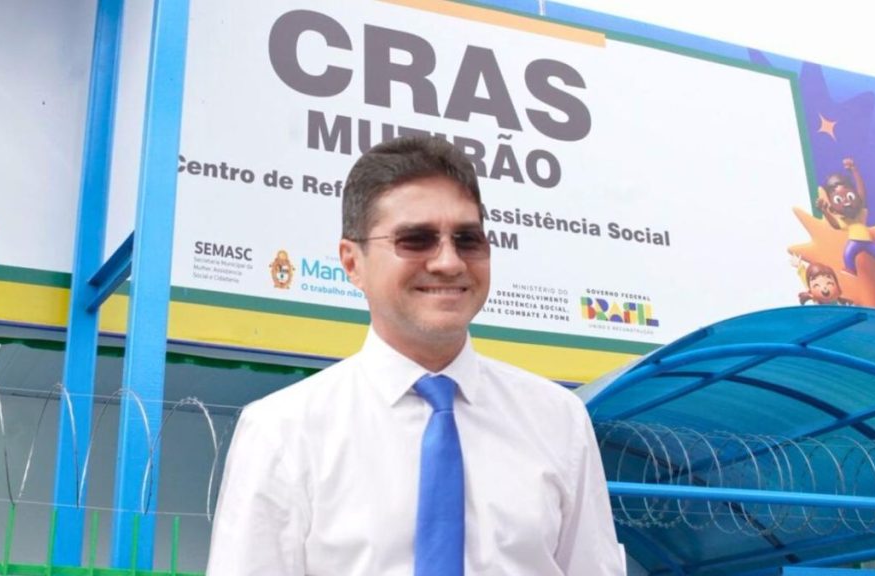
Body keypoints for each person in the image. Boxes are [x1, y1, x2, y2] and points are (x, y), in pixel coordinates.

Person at [206, 135, 625, 575]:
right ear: (352, 262)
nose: (449, 262)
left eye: (467, 239)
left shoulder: (558, 421)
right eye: (416, 239)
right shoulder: (282, 431)